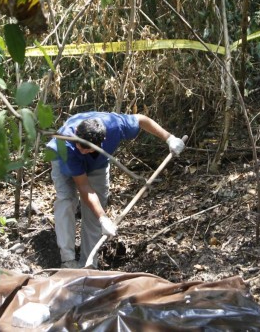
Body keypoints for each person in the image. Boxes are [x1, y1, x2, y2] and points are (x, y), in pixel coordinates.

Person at [46, 112, 185, 268]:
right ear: (77, 133)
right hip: (62, 157)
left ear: (101, 143)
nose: (82, 151)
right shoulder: (68, 144)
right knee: (67, 200)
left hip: (97, 164)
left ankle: (89, 264)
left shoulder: (115, 126)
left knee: (95, 211)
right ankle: (68, 260)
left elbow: (141, 120)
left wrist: (169, 138)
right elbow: (83, 186)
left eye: (87, 149)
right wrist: (103, 218)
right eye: (80, 146)